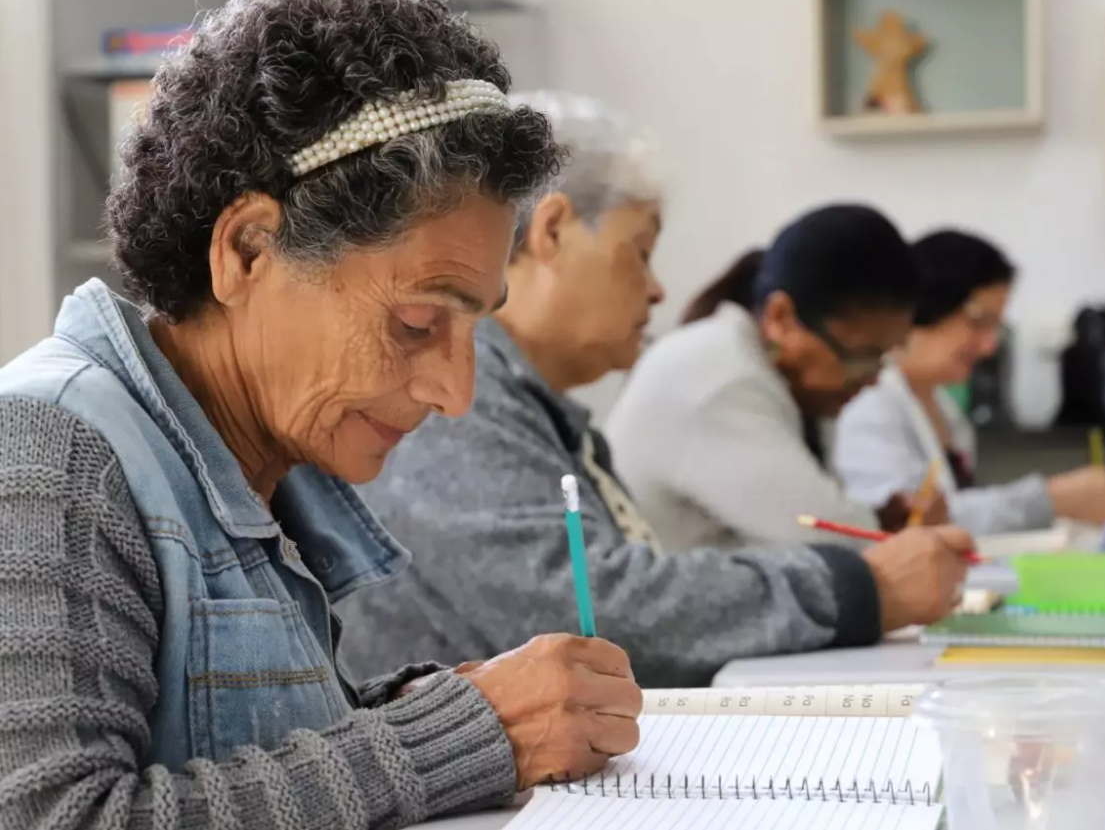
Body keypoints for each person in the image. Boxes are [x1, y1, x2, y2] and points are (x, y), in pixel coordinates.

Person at [0, 0, 643, 829]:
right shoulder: (50, 447)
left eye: (474, 329)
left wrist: (451, 708)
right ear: (247, 250)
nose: (456, 393)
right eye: (417, 323)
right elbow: (58, 815)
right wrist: (467, 730)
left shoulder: (263, 474)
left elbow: (235, 749)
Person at [338, 100, 975, 690]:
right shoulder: (461, 403)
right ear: (552, 231)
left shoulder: (531, 404)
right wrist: (858, 589)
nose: (657, 290)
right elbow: (597, 612)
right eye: (639, 252)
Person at [604, 204, 949, 552]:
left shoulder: (767, 372)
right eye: (860, 357)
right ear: (781, 317)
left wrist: (883, 518)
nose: (872, 380)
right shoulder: (720, 379)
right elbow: (830, 541)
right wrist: (882, 530)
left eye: (883, 358)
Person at [834, 229, 1105, 534]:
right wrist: (1050, 500)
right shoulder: (867, 405)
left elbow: (951, 507)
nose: (990, 346)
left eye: (995, 326)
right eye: (977, 322)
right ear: (923, 306)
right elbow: (906, 520)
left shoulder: (939, 402)